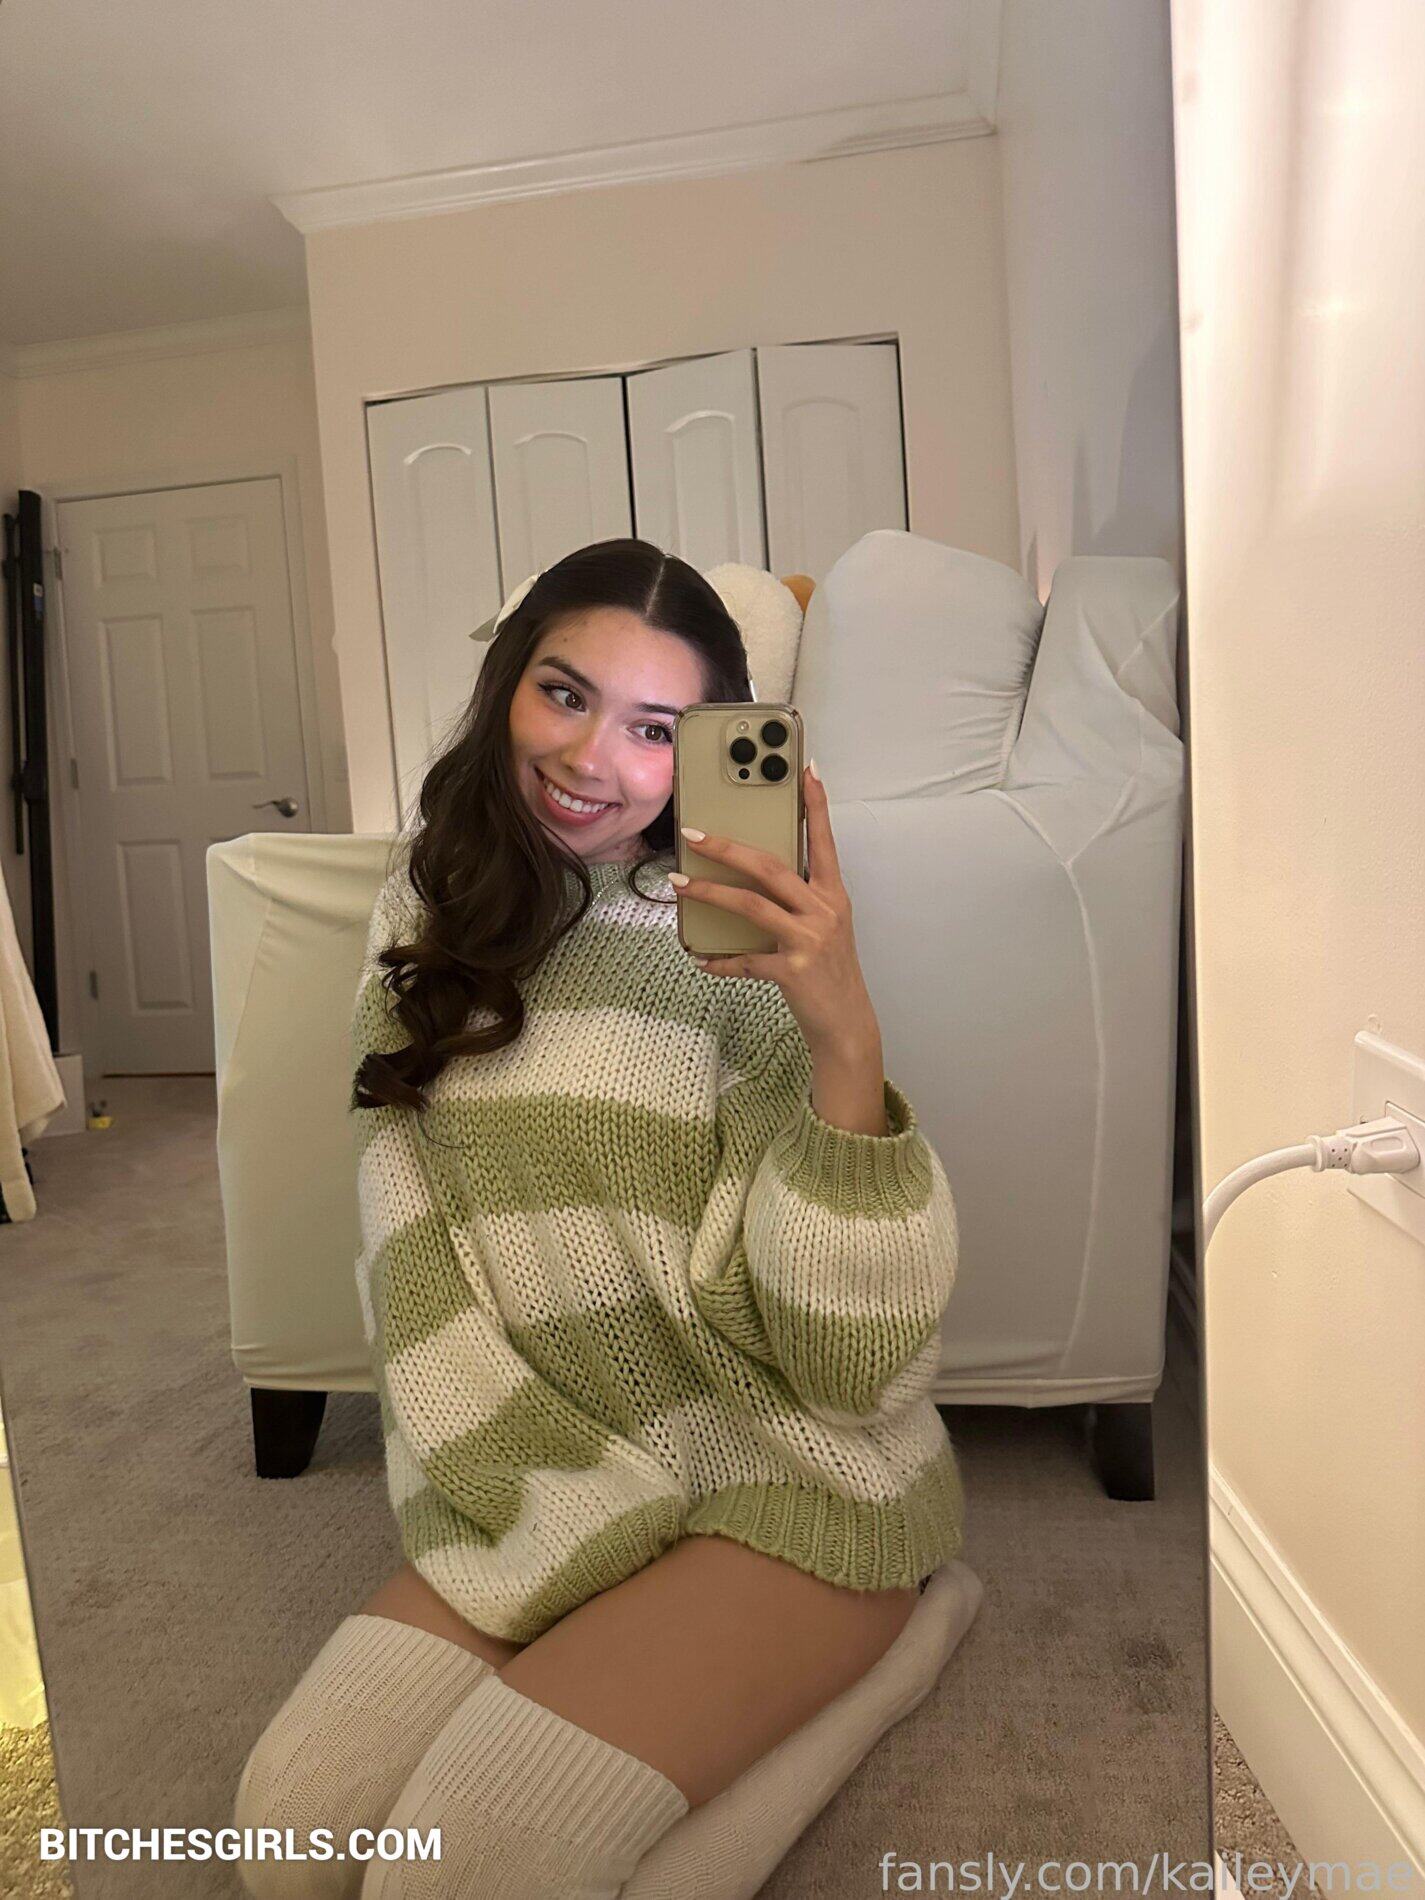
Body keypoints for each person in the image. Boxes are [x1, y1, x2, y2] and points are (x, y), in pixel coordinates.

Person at [235, 537, 974, 1900]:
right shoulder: (429, 903)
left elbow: (852, 1373)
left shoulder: (743, 937)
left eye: (655, 730)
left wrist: (842, 1031)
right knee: (290, 1837)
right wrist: (532, 1485)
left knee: (457, 1875)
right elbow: (408, 1231)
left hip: (786, 1476)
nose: (591, 761)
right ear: (508, 684)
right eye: (565, 695)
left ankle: (902, 1638)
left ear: (709, 752)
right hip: (558, 1459)